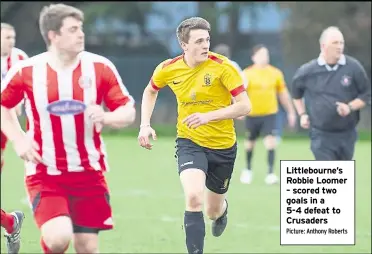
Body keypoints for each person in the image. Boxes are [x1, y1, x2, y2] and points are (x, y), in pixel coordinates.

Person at [1, 4, 136, 254]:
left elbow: (127, 110)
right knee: (58, 236)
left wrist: (107, 117)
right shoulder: (27, 70)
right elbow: (3, 106)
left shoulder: (99, 67)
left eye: (81, 28)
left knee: (87, 247)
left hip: (89, 172)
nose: (81, 34)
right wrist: (19, 140)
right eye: (73, 30)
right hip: (45, 171)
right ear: (53, 35)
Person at [138, 17, 251, 254]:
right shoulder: (168, 68)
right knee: (193, 197)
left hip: (223, 146)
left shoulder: (223, 66)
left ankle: (221, 211)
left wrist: (209, 116)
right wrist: (144, 124)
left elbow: (245, 106)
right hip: (190, 142)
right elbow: (150, 91)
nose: (205, 45)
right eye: (199, 41)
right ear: (184, 45)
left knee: (212, 210)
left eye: (207, 40)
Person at [291, 26, 371, 160]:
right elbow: (296, 94)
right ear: (323, 46)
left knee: (342, 176)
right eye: (335, 43)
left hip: (347, 134)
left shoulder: (353, 67)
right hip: (320, 134)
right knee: (329, 174)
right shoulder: (308, 71)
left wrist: (349, 107)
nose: (339, 46)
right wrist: (302, 114)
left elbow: (366, 95)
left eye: (341, 43)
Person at [239, 44, 297, 185]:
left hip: (269, 114)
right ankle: (248, 170)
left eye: (266, 54)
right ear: (254, 57)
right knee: (250, 143)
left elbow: (283, 94)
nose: (264, 57)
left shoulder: (275, 73)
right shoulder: (247, 73)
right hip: (252, 114)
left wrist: (291, 112)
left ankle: (270, 173)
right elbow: (240, 94)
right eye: (261, 55)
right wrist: (239, 109)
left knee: (271, 142)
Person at [1, 22, 28, 254]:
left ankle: (10, 222)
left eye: (13, 36)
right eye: (7, 37)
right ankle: (10, 222)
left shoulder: (20, 59)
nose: (11, 41)